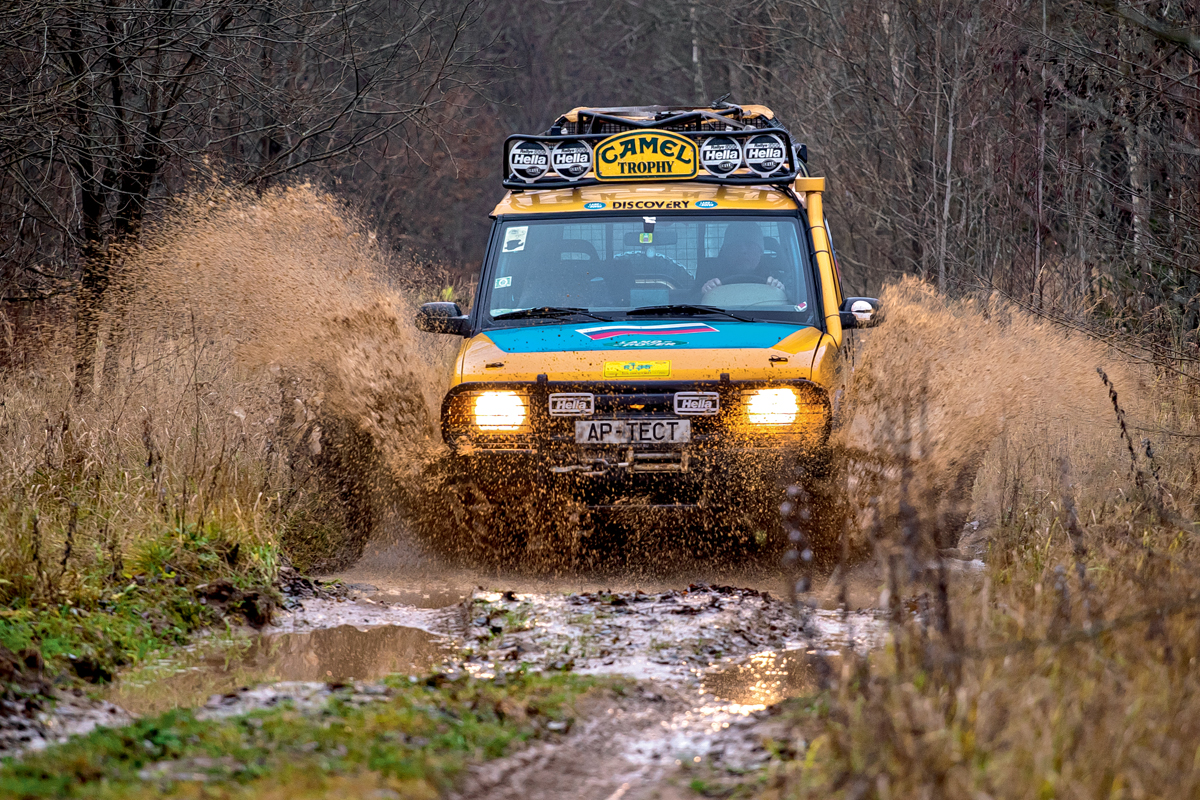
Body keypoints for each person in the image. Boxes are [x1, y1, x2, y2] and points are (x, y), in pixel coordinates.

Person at [700, 221, 785, 296]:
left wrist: (781, 291)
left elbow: (794, 304)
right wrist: (703, 293)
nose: (743, 250)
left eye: (750, 244)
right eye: (736, 245)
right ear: (726, 252)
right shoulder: (711, 275)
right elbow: (691, 304)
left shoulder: (777, 275)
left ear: (760, 251)